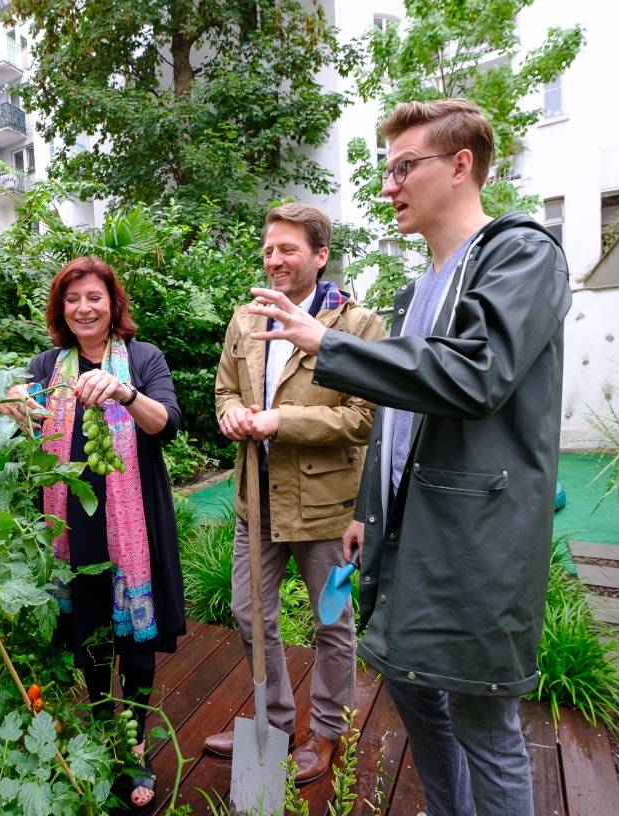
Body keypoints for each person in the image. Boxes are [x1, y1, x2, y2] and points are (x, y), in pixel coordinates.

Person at [248, 99, 571, 815]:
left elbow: (475, 373)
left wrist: (328, 345)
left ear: (461, 166)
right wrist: (367, 507)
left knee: (485, 719)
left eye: (404, 167)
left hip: (474, 533)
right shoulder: (417, 285)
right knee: (412, 687)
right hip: (403, 524)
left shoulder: (521, 254)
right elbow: (397, 416)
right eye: (387, 170)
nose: (389, 186)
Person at [0, 256, 185, 811]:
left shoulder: (143, 359)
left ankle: (137, 742)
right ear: (61, 309)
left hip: (135, 519)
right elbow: (5, 412)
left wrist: (123, 393)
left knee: (137, 637)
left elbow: (166, 423)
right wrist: (5, 405)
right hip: (73, 522)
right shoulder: (48, 365)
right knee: (89, 630)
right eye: (73, 299)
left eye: (94, 297)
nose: (84, 308)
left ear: (112, 303)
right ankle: (103, 733)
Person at [204, 203, 386, 783]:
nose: (274, 259)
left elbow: (363, 419)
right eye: (268, 249)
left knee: (333, 621)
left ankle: (328, 732)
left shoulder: (357, 327)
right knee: (249, 613)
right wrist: (234, 416)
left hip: (331, 516)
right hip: (255, 504)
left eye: (287, 249)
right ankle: (274, 723)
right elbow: (225, 392)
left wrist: (280, 420)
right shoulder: (244, 320)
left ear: (320, 255)